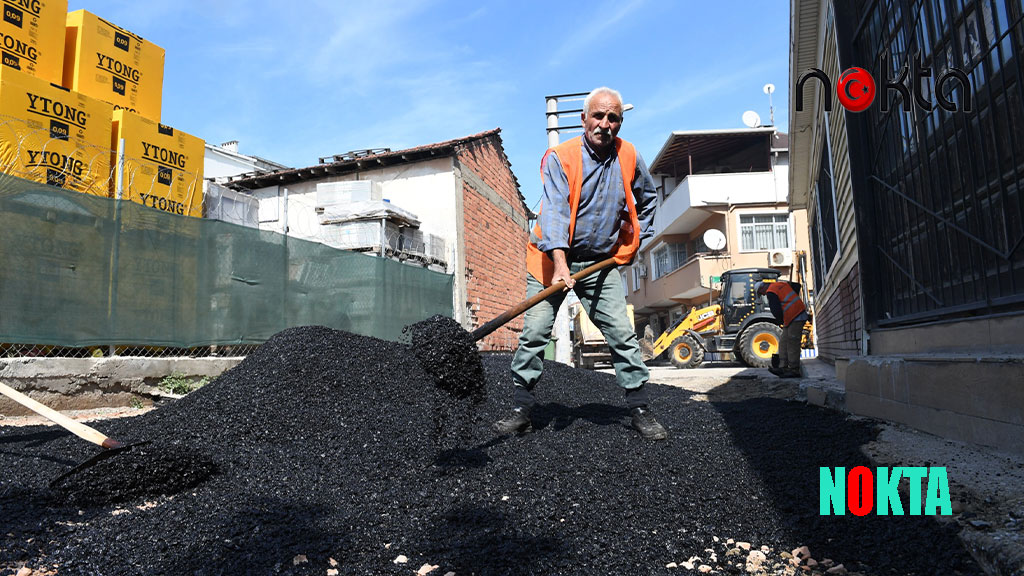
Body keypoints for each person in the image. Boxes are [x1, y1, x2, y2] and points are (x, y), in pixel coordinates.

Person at [493, 87, 666, 441]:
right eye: (598, 116)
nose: (605, 124)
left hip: (600, 263)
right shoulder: (561, 156)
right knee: (535, 333)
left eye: (613, 117)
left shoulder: (629, 155)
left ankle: (641, 409)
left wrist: (635, 240)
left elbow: (648, 200)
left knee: (621, 333)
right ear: (583, 119)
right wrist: (560, 264)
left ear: (620, 121)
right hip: (548, 260)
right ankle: (521, 409)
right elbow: (554, 212)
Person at [755, 279, 809, 379]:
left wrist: (780, 320)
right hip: (791, 316)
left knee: (792, 341)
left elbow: (775, 309)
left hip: (796, 315)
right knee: (784, 341)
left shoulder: (771, 291)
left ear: (763, 288)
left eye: (761, 293)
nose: (763, 295)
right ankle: (783, 367)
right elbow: (796, 286)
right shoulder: (780, 284)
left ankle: (794, 369)